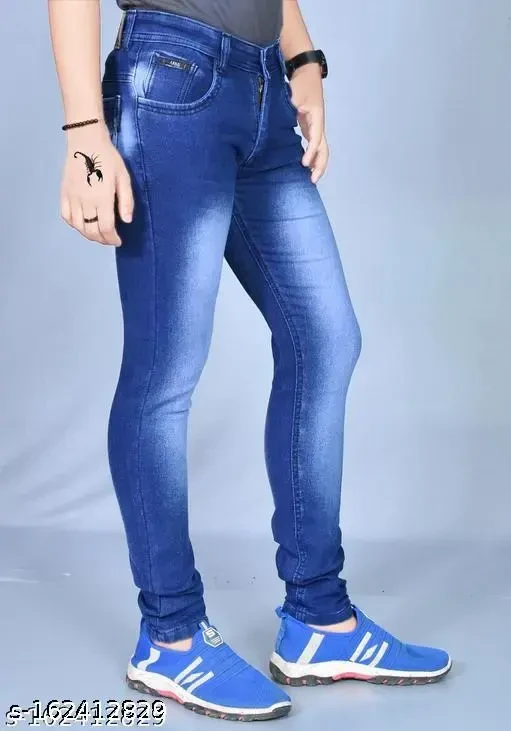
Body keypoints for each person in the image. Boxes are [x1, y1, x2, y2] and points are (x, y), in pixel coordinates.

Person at [48, 0, 452, 722]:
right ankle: (170, 635)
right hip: (172, 81)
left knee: (325, 338)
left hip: (262, 86)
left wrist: (302, 57)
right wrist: (84, 132)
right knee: (165, 371)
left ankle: (319, 620)